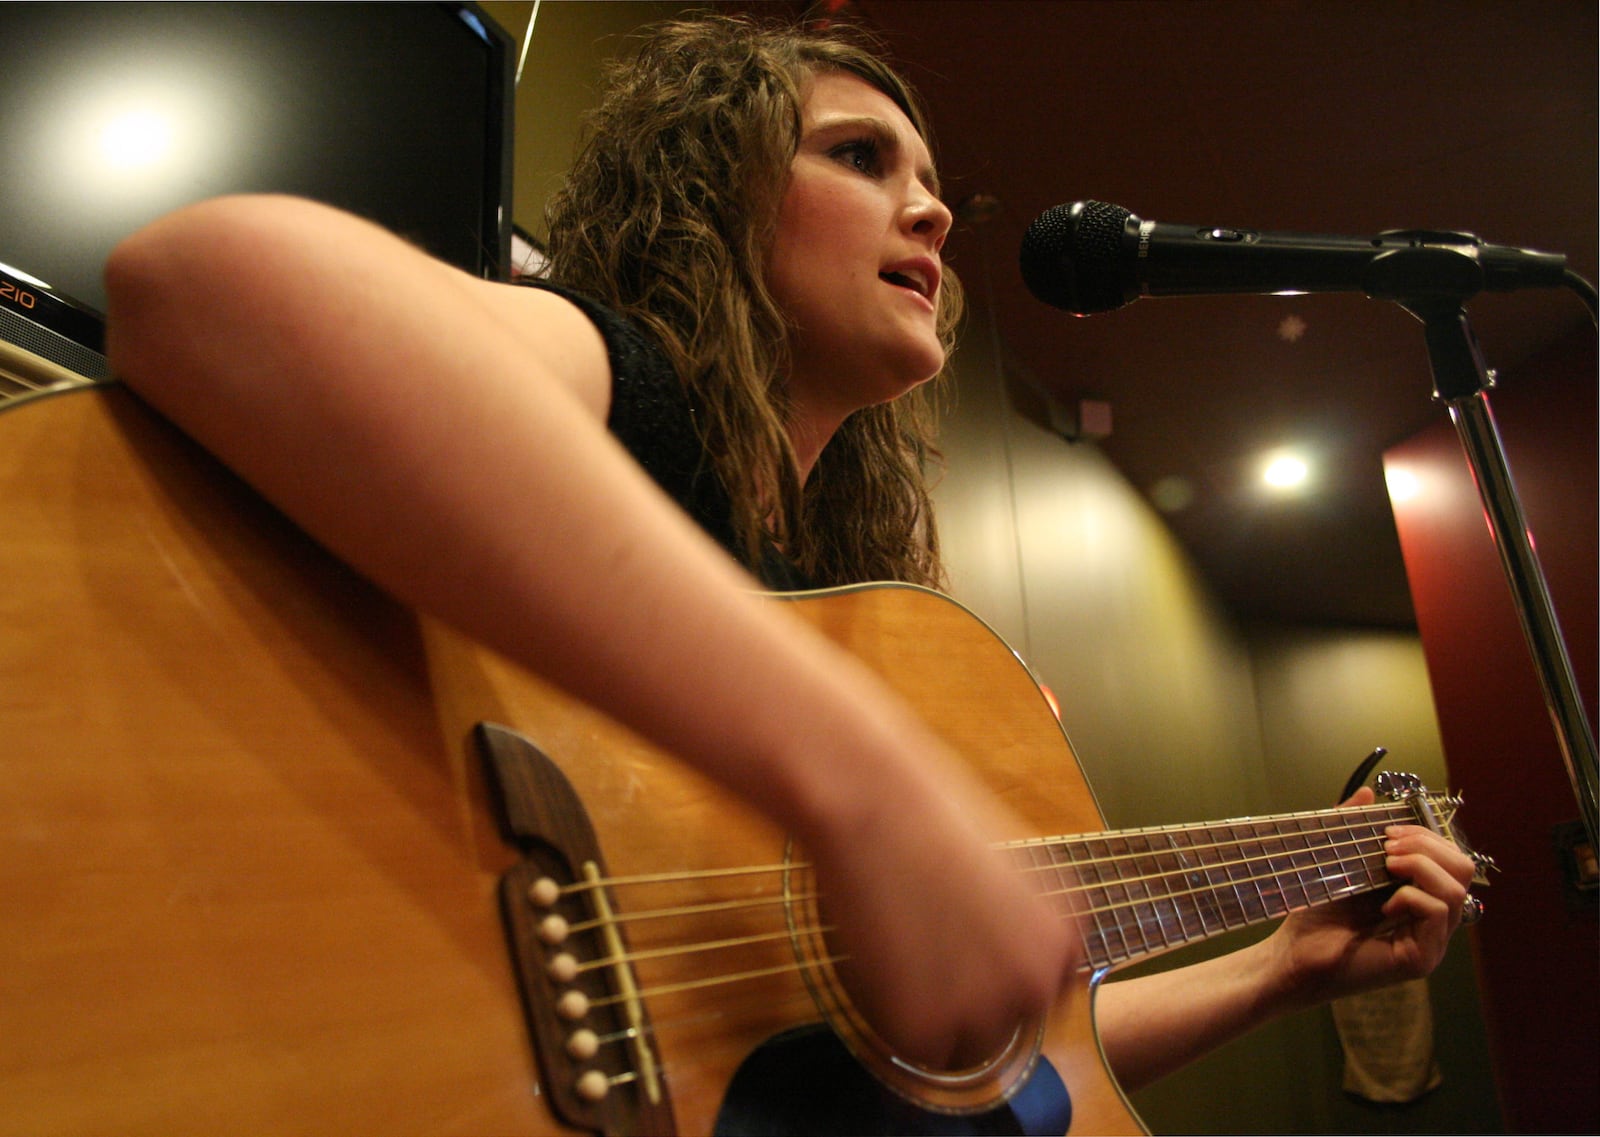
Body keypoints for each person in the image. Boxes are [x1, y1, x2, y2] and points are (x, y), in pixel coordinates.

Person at [103, 13, 1474, 1093]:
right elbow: (213, 278)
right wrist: (867, 781)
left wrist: (1276, 973)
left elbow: (952, 1071)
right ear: (710, 196)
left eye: (933, 182)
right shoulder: (624, 386)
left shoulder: (834, 589)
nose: (932, 213)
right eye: (858, 158)